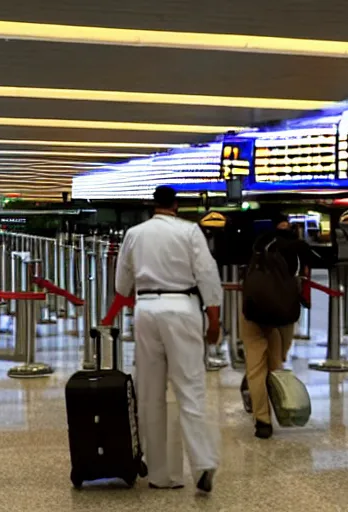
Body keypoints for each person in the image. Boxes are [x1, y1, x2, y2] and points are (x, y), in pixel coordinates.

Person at [115, 185, 222, 494]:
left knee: (150, 393)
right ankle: (203, 463)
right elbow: (206, 274)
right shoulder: (190, 232)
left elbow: (121, 286)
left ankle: (161, 475)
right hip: (183, 308)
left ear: (153, 205)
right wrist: (213, 319)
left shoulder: (134, 234)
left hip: (146, 309)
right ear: (176, 204)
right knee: (190, 388)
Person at [240, 213, 313, 439]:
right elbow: (322, 260)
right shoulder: (296, 245)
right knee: (276, 362)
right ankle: (265, 400)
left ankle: (262, 421)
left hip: (253, 310)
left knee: (255, 367)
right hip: (282, 310)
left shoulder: (258, 244)